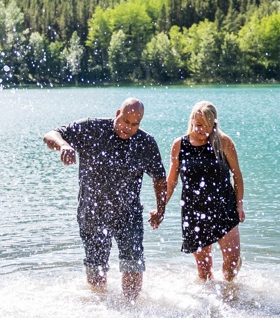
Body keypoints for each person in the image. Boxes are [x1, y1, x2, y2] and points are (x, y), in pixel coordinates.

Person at [43, 98, 167, 301]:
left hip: (128, 213)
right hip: (92, 212)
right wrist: (64, 146)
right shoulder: (92, 128)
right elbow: (51, 135)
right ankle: (101, 306)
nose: (128, 128)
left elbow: (160, 179)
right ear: (118, 112)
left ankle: (130, 308)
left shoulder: (145, 143)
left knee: (133, 263)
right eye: (125, 121)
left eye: (135, 124)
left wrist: (160, 210)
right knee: (96, 269)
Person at [166, 101, 245, 281]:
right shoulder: (180, 145)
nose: (204, 131)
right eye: (200, 125)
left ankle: (230, 292)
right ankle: (209, 304)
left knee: (231, 264)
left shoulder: (224, 142)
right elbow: (171, 181)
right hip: (194, 212)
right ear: (193, 120)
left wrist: (239, 205)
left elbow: (237, 176)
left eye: (210, 126)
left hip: (224, 208)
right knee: (204, 270)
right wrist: (161, 207)